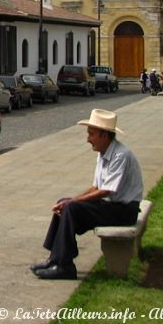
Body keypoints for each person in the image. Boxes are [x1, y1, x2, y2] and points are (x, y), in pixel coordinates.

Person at [30, 109, 143, 280]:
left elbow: (106, 190)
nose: (88, 139)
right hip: (112, 205)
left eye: (91, 134)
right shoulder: (103, 152)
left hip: (124, 211)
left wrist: (73, 203)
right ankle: (55, 258)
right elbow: (96, 187)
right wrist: (71, 200)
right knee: (65, 203)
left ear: (104, 135)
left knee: (71, 208)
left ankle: (64, 266)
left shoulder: (121, 155)